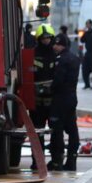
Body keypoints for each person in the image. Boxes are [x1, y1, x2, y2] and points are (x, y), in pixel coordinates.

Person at [48, 33, 81, 171]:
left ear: (61, 45)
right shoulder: (74, 58)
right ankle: (72, 159)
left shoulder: (61, 60)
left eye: (56, 44)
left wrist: (50, 88)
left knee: (57, 130)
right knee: (72, 129)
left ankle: (57, 160)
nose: (54, 47)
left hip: (60, 99)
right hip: (71, 98)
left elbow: (58, 81)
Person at [29, 23, 57, 169]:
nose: (46, 40)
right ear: (38, 39)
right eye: (43, 38)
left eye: (48, 38)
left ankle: (55, 160)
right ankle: (37, 161)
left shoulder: (55, 54)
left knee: (54, 131)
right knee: (37, 132)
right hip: (37, 102)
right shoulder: (33, 54)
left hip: (52, 101)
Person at [79, 20, 92, 89]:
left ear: (91, 24)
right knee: (84, 69)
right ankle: (87, 84)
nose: (87, 25)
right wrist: (83, 32)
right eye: (86, 24)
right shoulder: (86, 33)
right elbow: (82, 40)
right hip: (87, 53)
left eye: (88, 24)